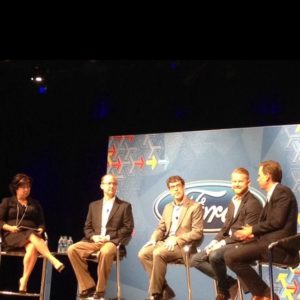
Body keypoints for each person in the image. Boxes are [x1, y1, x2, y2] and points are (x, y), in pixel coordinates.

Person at [224, 160, 298, 300]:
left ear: (268, 176)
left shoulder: (282, 192)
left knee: (231, 256)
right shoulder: (273, 194)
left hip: (279, 246)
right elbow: (271, 223)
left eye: (259, 175)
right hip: (267, 242)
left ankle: (265, 293)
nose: (258, 179)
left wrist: (251, 229)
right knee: (231, 253)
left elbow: (277, 222)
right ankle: (260, 293)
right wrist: (252, 234)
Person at [190, 167, 263, 300]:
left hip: (245, 244)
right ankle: (230, 282)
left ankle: (223, 292)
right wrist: (213, 242)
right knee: (195, 259)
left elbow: (245, 234)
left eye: (240, 181)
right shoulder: (233, 202)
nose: (236, 184)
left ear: (249, 182)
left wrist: (221, 244)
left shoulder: (253, 204)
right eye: (234, 181)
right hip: (230, 242)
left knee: (215, 255)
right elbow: (225, 228)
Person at [67, 174, 134, 300]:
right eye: (108, 183)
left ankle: (100, 290)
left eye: (114, 183)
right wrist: (93, 237)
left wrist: (108, 237)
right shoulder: (94, 205)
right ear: (101, 186)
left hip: (112, 242)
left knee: (105, 251)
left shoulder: (124, 206)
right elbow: (87, 227)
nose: (112, 186)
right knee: (72, 249)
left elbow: (128, 228)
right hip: (94, 241)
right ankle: (88, 287)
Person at [138, 175, 203, 300]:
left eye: (178, 186)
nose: (176, 189)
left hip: (183, 245)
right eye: (172, 187)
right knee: (143, 253)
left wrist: (177, 239)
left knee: (158, 253)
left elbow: (197, 232)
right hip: (165, 243)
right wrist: (153, 239)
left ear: (183, 187)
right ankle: (164, 289)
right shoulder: (168, 207)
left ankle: (155, 294)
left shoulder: (195, 206)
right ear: (169, 190)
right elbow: (161, 228)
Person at [0, 173, 65, 293]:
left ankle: (24, 280)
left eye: (28, 187)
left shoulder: (35, 204)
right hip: (12, 235)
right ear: (16, 188)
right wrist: (9, 228)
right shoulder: (7, 202)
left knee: (33, 247)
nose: (26, 189)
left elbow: (41, 223)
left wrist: (41, 229)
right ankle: (52, 259)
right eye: (23, 187)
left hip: (32, 237)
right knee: (31, 234)